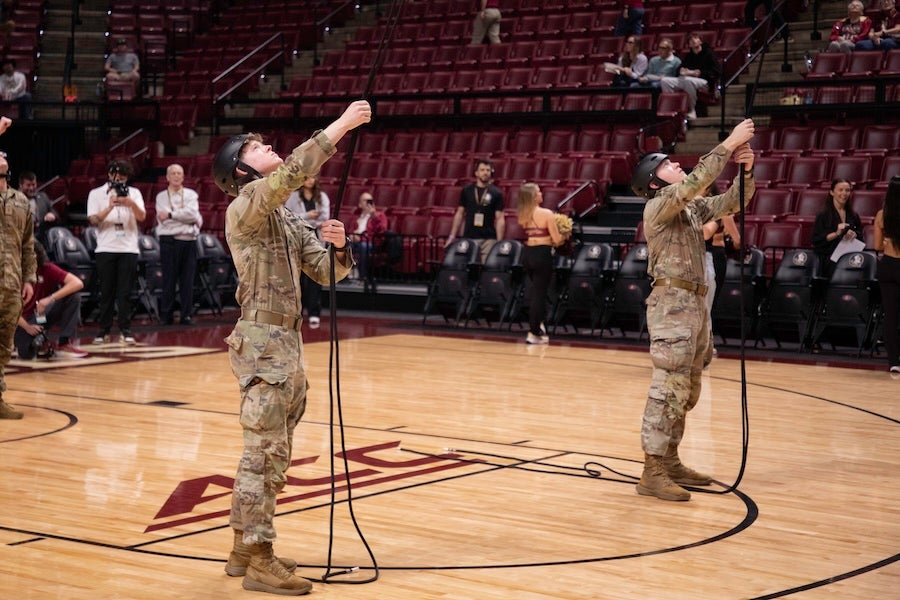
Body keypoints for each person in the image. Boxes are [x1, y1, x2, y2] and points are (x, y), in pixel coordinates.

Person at [211, 99, 370, 596]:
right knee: (266, 453)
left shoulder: (283, 217)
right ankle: (260, 558)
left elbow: (327, 272)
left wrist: (340, 246)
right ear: (240, 170)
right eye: (257, 148)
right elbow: (296, 169)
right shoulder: (247, 206)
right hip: (263, 343)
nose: (270, 148)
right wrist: (341, 126)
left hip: (286, 343)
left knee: (266, 454)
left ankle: (243, 548)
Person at [630, 118, 756, 501]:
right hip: (671, 305)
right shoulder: (659, 205)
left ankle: (670, 459)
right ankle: (652, 469)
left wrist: (744, 171)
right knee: (668, 384)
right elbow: (695, 182)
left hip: (695, 303)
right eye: (667, 164)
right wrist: (729, 142)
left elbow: (731, 203)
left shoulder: (687, 208)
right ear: (654, 182)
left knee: (688, 387)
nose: (676, 165)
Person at [87, 159, 146, 345]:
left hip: (128, 248)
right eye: (115, 175)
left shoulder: (134, 193)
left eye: (122, 176)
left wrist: (130, 203)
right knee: (106, 292)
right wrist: (110, 206)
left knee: (125, 293)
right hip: (106, 247)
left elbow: (142, 217)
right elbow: (93, 220)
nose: (118, 178)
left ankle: (125, 330)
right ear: (109, 175)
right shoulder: (96, 193)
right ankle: (103, 330)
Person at [0, 130, 37, 420]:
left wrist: (28, 278)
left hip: (12, 283)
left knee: (5, 344)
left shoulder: (21, 201)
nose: (1, 156)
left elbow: (28, 244)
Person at [14, 241, 87, 360]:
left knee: (74, 296)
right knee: (26, 353)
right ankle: (33, 341)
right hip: (21, 320)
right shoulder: (14, 275)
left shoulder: (47, 268)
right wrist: (27, 326)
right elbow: (7, 308)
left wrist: (49, 298)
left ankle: (64, 343)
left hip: (41, 313)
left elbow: (77, 283)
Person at [155, 163, 202, 326]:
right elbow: (163, 220)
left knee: (187, 280)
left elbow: (193, 215)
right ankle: (166, 315)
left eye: (179, 173)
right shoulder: (161, 196)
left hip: (189, 241)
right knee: (169, 279)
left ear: (183, 177)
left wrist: (170, 215)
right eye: (173, 173)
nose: (176, 176)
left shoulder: (191, 195)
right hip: (169, 241)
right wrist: (184, 220)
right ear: (167, 177)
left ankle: (186, 315)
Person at [516, 183, 562, 345]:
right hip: (542, 254)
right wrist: (564, 234)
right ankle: (534, 332)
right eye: (538, 192)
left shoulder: (523, 214)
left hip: (528, 253)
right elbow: (556, 240)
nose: (541, 193)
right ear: (533, 196)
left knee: (535, 292)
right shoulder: (546, 213)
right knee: (539, 295)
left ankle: (538, 325)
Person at [285, 175, 330, 328]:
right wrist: (307, 216)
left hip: (316, 238)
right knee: (297, 277)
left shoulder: (322, 197)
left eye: (313, 178)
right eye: (307, 177)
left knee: (315, 278)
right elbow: (288, 216)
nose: (310, 180)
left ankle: (314, 312)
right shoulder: (294, 196)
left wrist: (307, 220)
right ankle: (298, 312)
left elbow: (325, 217)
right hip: (298, 238)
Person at [446, 159, 505, 262]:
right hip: (469, 236)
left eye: (488, 170)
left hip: (489, 239)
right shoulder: (467, 190)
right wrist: (452, 236)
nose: (485, 172)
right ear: (476, 173)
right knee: (468, 268)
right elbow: (459, 214)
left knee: (486, 268)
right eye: (482, 170)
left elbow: (499, 219)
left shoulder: (497, 193)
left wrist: (499, 242)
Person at [661, 32, 722, 120]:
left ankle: (691, 110)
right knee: (665, 81)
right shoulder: (689, 56)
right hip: (687, 79)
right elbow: (679, 69)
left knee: (688, 81)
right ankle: (672, 107)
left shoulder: (709, 54)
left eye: (695, 38)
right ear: (688, 44)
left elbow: (716, 71)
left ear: (700, 41)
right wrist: (681, 71)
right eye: (690, 39)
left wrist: (700, 73)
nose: (693, 40)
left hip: (705, 81)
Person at [874, 175, 900, 374]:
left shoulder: (882, 215)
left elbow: (876, 246)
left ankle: (893, 361)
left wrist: (886, 243)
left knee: (890, 315)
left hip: (888, 265)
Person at [811, 178, 864, 277]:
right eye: (840, 190)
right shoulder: (823, 214)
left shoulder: (853, 215)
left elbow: (861, 236)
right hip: (828, 260)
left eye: (847, 190)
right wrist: (836, 234)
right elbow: (816, 240)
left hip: (848, 258)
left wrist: (854, 234)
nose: (844, 193)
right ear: (832, 192)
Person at [347, 191, 388, 291]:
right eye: (365, 200)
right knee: (339, 245)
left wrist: (374, 217)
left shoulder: (379, 216)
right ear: (360, 204)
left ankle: (363, 277)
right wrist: (352, 236)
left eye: (370, 200)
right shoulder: (355, 218)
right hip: (355, 242)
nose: (368, 203)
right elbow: (349, 231)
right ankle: (340, 275)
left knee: (364, 246)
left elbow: (382, 231)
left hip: (371, 243)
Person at [18, 171, 59, 247]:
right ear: (21, 185)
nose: (31, 188)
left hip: (42, 239)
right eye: (28, 185)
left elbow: (55, 213)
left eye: (33, 184)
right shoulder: (13, 200)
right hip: (22, 241)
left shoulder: (43, 197)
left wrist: (52, 215)